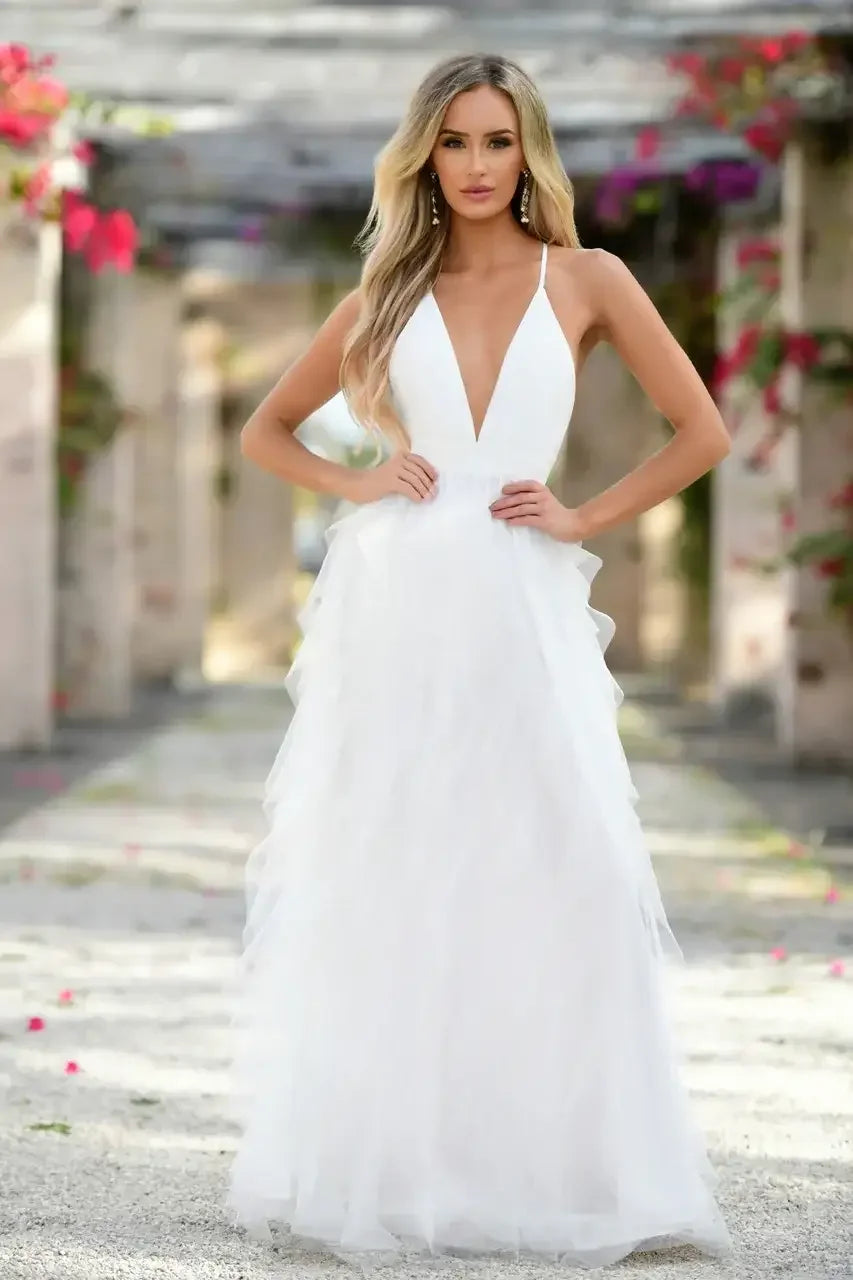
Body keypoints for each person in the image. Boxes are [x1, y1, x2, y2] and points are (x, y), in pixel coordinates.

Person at [225, 52, 734, 1270]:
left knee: (570, 861)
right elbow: (263, 427)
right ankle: (408, 1161)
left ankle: (571, 1163)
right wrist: (358, 478)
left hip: (524, 596)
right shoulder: (381, 296)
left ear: (528, 153)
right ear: (423, 156)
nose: (471, 165)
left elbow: (703, 428)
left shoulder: (590, 276)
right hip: (398, 604)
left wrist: (580, 517)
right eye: (450, 143)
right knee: (404, 867)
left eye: (494, 141)